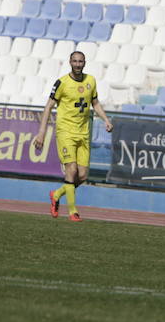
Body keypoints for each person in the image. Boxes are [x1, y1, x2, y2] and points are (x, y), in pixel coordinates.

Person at [33, 51, 113, 223]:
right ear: (70, 62)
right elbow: (48, 107)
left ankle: (57, 194)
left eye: (81, 61)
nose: (78, 64)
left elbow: (95, 103)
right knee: (71, 169)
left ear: (85, 63)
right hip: (65, 132)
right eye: (75, 61)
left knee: (82, 176)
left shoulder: (91, 80)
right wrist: (41, 132)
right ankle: (73, 212)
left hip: (83, 133)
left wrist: (105, 119)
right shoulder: (62, 82)